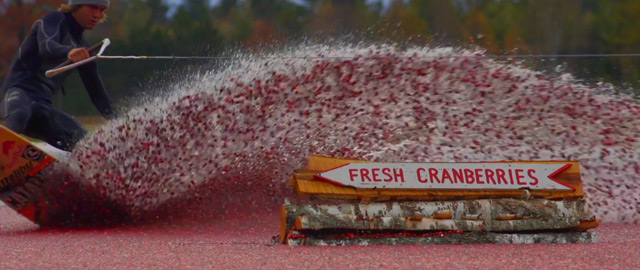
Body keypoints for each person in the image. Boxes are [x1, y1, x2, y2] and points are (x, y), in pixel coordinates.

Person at [0, 0, 116, 152]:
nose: (98, 15)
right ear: (76, 6)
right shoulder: (53, 20)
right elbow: (47, 46)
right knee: (21, 112)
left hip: (42, 107)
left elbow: (99, 98)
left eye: (102, 10)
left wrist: (123, 125)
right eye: (93, 7)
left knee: (85, 142)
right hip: (17, 94)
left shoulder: (84, 49)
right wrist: (68, 52)